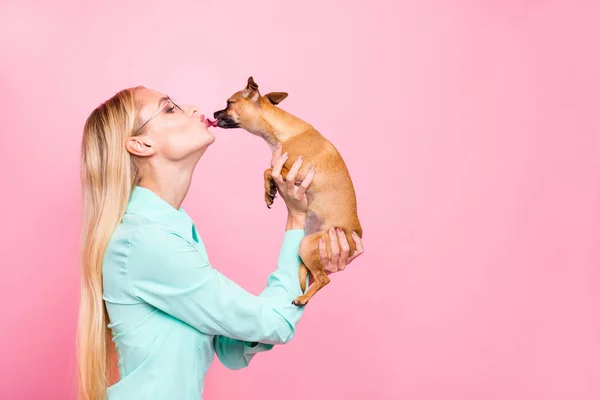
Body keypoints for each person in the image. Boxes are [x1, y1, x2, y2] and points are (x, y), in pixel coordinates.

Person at [76, 86, 364, 400]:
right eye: (169, 108)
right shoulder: (148, 241)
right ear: (142, 144)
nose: (190, 107)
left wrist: (314, 259)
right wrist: (296, 221)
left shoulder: (169, 230)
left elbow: (230, 345)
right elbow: (272, 323)